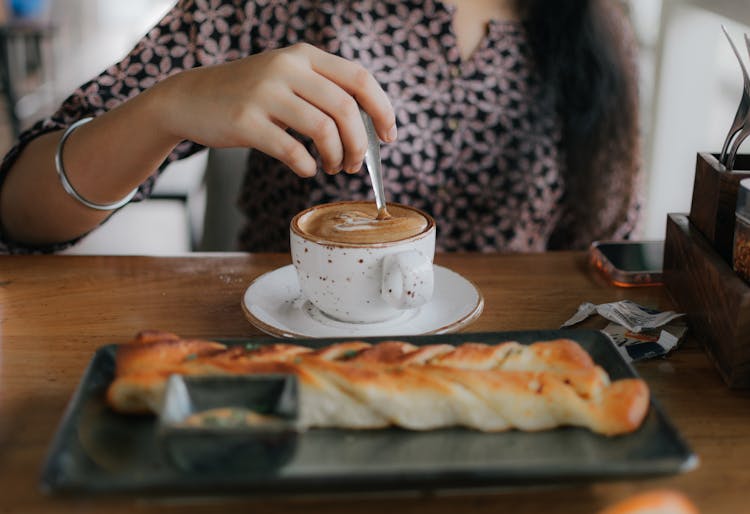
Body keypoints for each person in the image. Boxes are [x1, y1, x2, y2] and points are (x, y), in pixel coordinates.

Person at [0, 0, 641, 254]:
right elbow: (20, 213)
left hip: (507, 387)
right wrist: (166, 106)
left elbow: (609, 251)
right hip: (288, 380)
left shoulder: (600, 30)